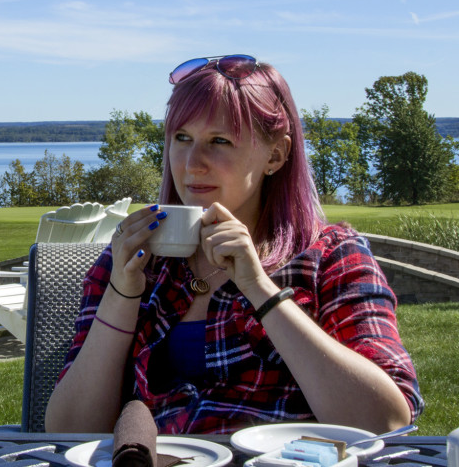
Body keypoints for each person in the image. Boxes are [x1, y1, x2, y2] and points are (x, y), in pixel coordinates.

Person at [45, 55, 424, 435]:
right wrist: (121, 294)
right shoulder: (134, 260)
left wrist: (260, 289)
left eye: (219, 141)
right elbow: (68, 430)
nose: (192, 163)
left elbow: (385, 420)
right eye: (182, 138)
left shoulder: (330, 258)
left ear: (275, 154)